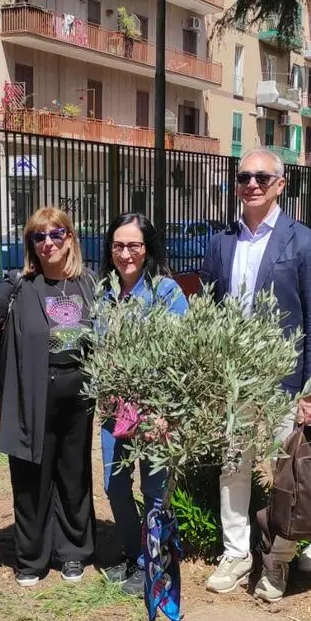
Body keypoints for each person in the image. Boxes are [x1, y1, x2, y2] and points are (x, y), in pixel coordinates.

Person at [199, 148, 311, 600]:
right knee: (233, 467)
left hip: (285, 382)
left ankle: (277, 560)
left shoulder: (303, 241)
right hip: (234, 380)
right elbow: (209, 314)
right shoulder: (221, 242)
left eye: (261, 177)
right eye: (244, 177)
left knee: (284, 472)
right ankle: (236, 554)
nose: (251, 184)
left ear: (281, 183)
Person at [0, 207, 98, 587]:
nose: (47, 244)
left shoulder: (89, 285)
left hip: (79, 392)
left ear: (70, 238)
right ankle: (31, 557)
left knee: (74, 473)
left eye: (55, 235)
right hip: (30, 392)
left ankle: (73, 552)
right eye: (38, 237)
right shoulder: (18, 285)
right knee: (31, 475)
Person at [97, 212, 189, 597]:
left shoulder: (166, 292)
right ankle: (134, 552)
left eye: (133, 245)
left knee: (154, 489)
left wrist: (166, 412)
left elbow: (181, 355)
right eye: (118, 245)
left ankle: (152, 565)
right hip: (113, 411)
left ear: (147, 248)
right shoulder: (105, 291)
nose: (125, 253)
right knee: (114, 484)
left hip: (154, 410)